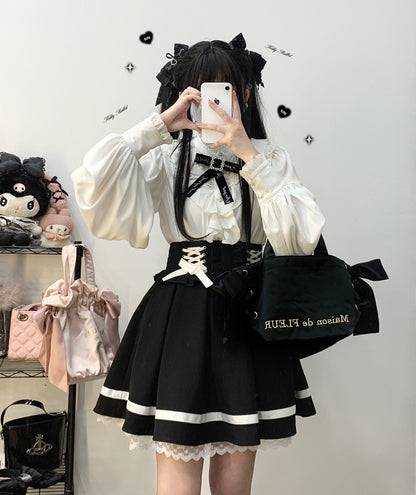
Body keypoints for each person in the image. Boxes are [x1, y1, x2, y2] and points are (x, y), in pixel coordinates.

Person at [71, 33, 325, 495]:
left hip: (248, 316)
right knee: (178, 486)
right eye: (203, 89)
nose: (216, 101)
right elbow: (94, 182)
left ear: (245, 91)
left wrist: (249, 155)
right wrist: (157, 126)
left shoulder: (270, 159)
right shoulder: (166, 157)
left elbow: (299, 238)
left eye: (226, 88)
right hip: (181, 315)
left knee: (234, 487)